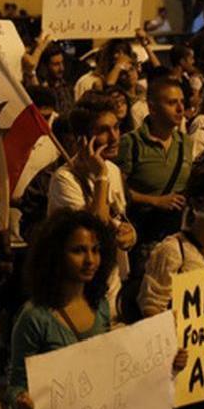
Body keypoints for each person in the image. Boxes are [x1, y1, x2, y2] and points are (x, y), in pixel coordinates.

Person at [7, 209, 116, 409]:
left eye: (95, 250)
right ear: (55, 255)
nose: (90, 260)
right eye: (78, 251)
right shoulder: (35, 317)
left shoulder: (101, 306)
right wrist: (22, 401)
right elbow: (15, 384)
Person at [138, 148, 204, 409]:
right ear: (197, 203)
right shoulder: (173, 251)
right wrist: (168, 349)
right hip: (186, 380)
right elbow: (151, 308)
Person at [48, 94, 136, 317]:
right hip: (80, 294)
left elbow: (117, 218)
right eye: (103, 130)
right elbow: (95, 227)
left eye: (116, 127)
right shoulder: (64, 180)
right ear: (82, 139)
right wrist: (100, 178)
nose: (114, 137)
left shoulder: (112, 170)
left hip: (113, 288)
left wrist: (130, 234)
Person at [116, 78, 194, 276]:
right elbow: (118, 192)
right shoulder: (131, 143)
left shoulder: (186, 143)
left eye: (182, 102)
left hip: (178, 238)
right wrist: (155, 201)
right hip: (145, 237)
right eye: (171, 102)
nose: (180, 108)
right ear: (153, 108)